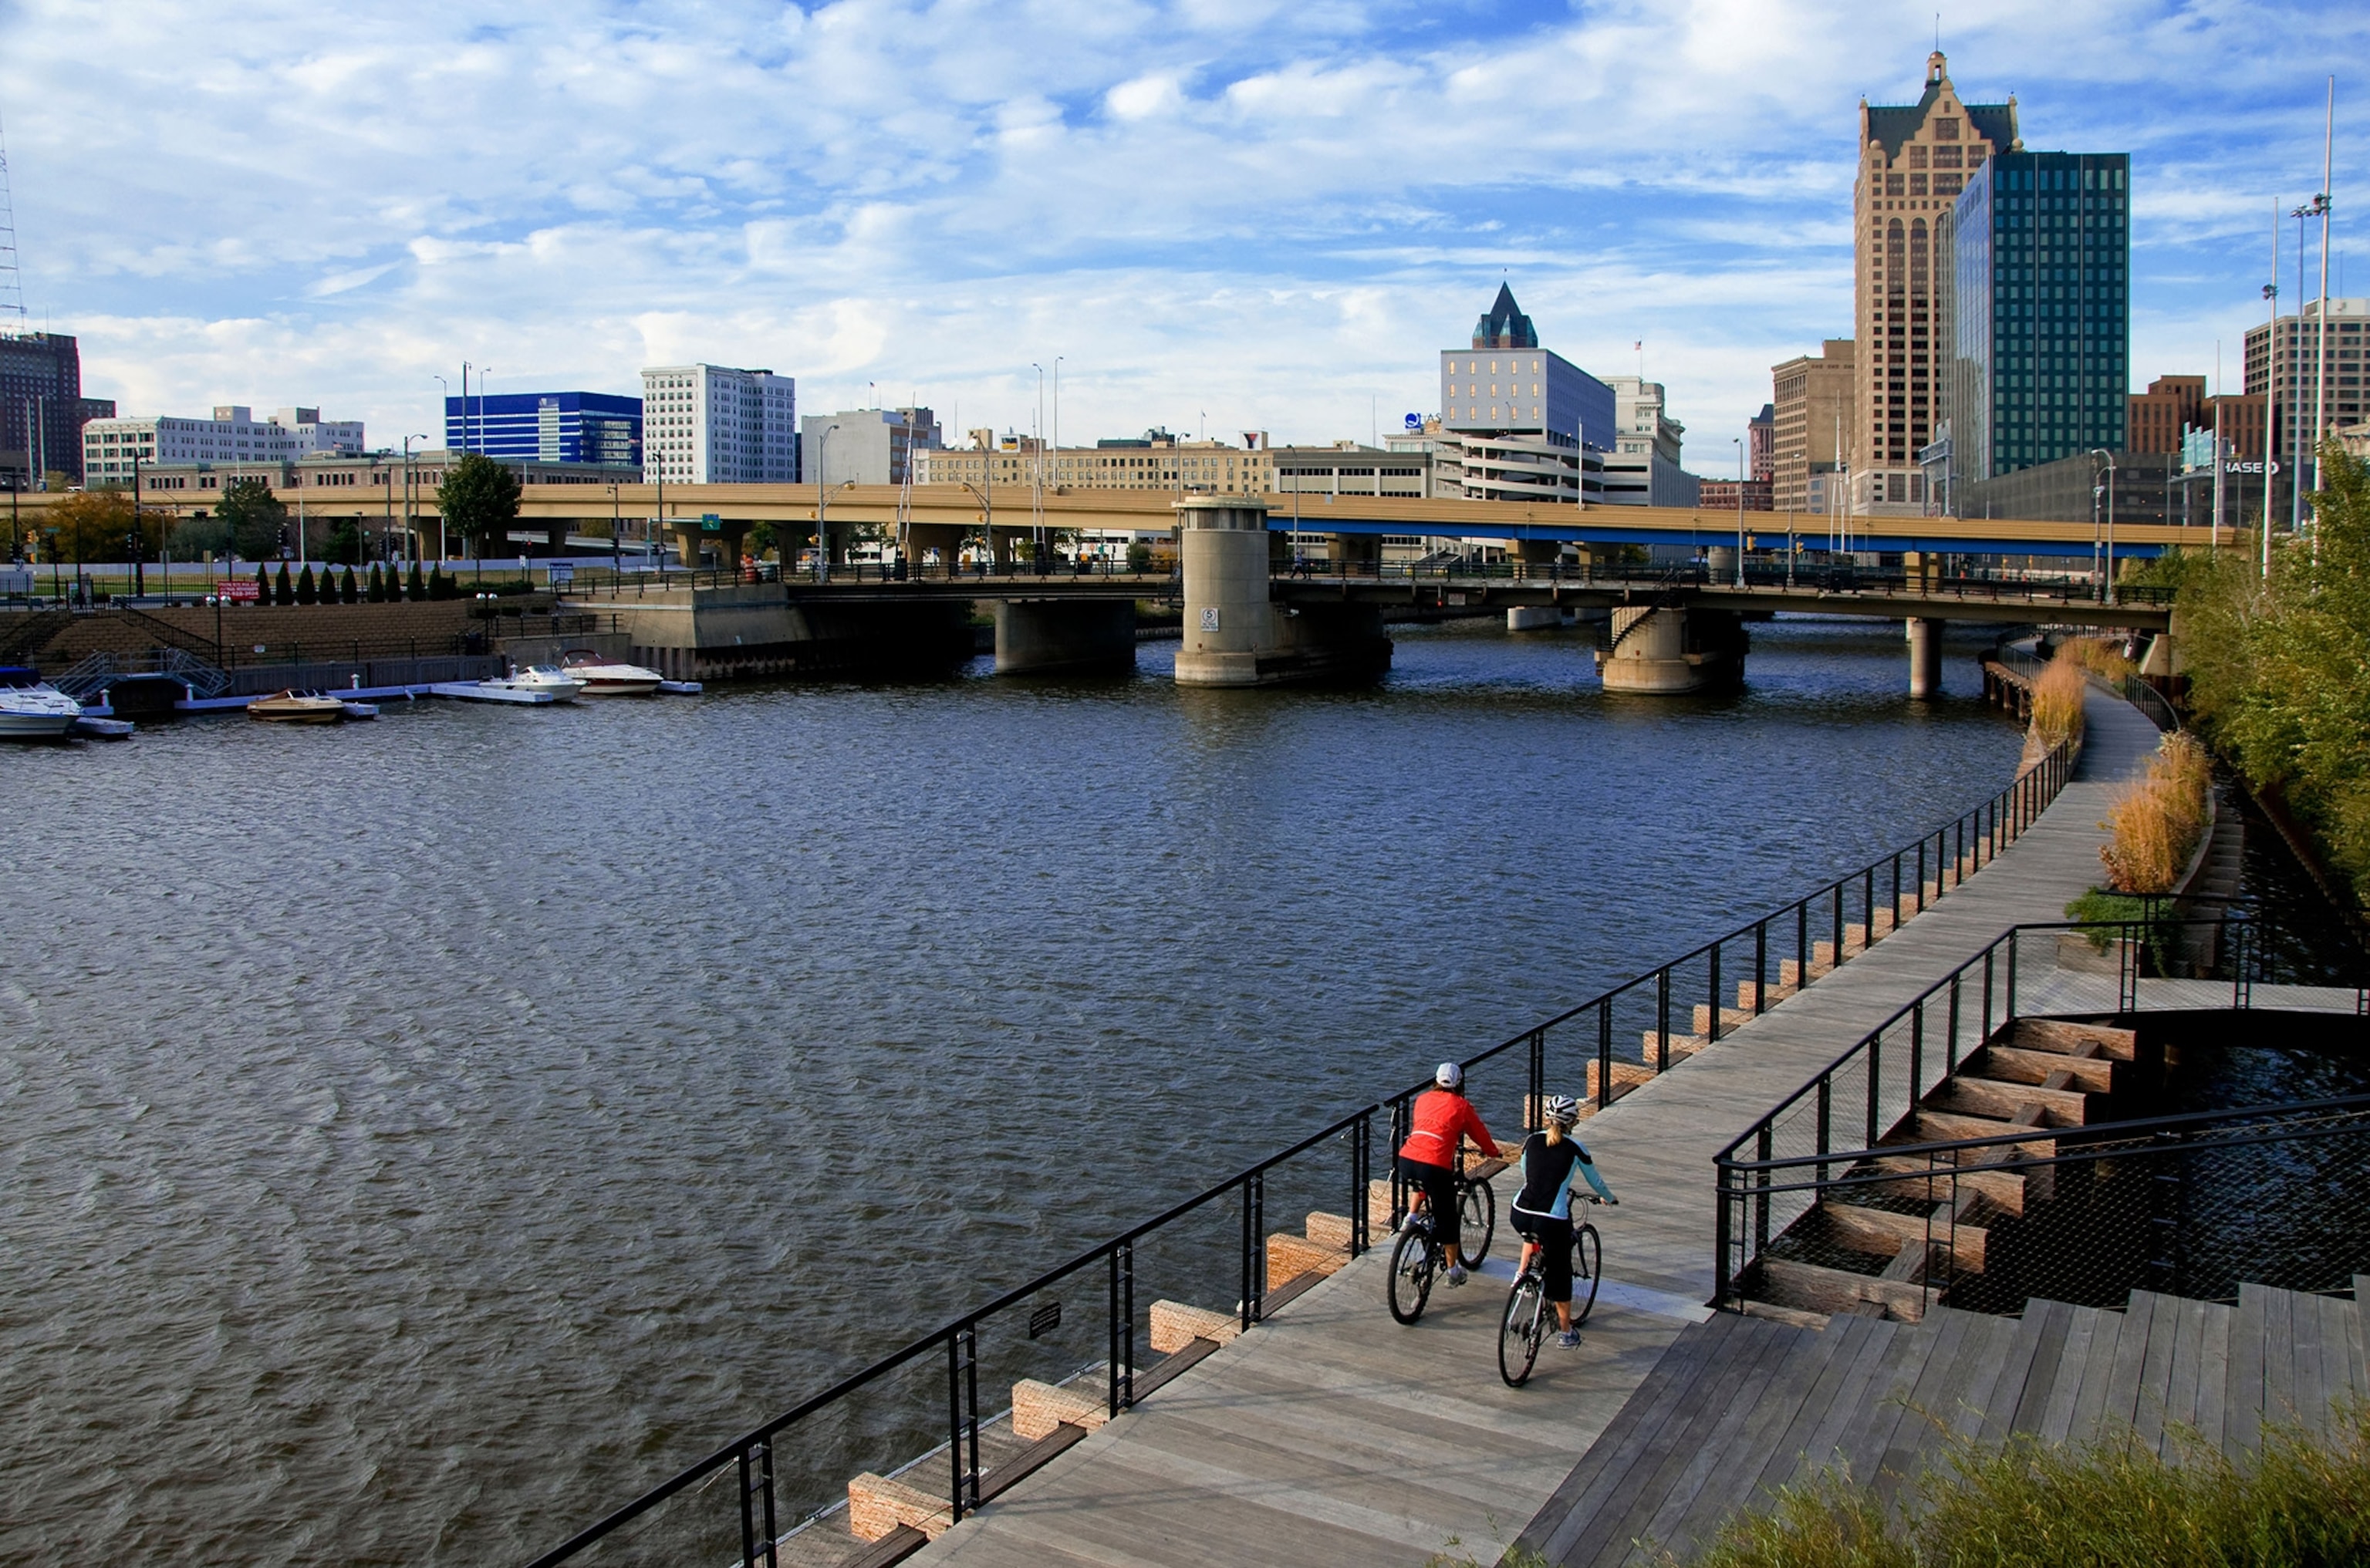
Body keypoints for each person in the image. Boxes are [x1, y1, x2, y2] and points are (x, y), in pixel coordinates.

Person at [1510, 1094, 1618, 1347]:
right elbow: (1596, 1182)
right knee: (1561, 1275)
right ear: (1573, 1121)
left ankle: (1522, 1275)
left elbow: (1524, 1170)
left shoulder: (1532, 1140)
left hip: (1520, 1212)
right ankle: (1566, 1333)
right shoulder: (1576, 1148)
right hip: (1552, 1219)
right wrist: (1610, 1199)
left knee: (1531, 1234)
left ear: (1548, 1118)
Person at [1396, 1062, 1500, 1287]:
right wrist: (1493, 1152)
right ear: (1460, 1084)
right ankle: (1453, 1272)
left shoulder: (1422, 1099)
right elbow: (1479, 1133)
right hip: (1434, 1165)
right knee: (1448, 1221)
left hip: (1407, 1159)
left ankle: (1411, 1218)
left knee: (1423, 1182)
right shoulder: (1461, 1106)